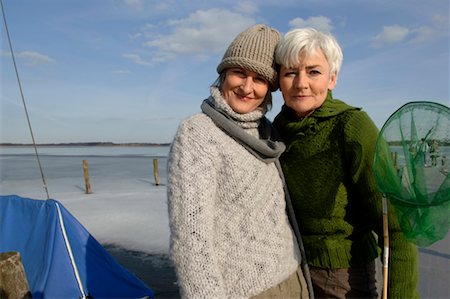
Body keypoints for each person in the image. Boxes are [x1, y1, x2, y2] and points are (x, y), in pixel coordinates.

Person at [167, 24, 312, 299]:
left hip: (292, 279)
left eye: (259, 79)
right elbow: (191, 241)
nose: (247, 87)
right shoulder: (199, 133)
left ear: (269, 88)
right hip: (244, 292)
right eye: (239, 73)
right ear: (223, 75)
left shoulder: (267, 133)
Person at [273, 28, 420, 299]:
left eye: (314, 72)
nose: (301, 83)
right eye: (290, 72)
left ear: (332, 78)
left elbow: (397, 226)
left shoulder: (351, 126)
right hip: (289, 270)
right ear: (278, 80)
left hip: (343, 276)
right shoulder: (275, 132)